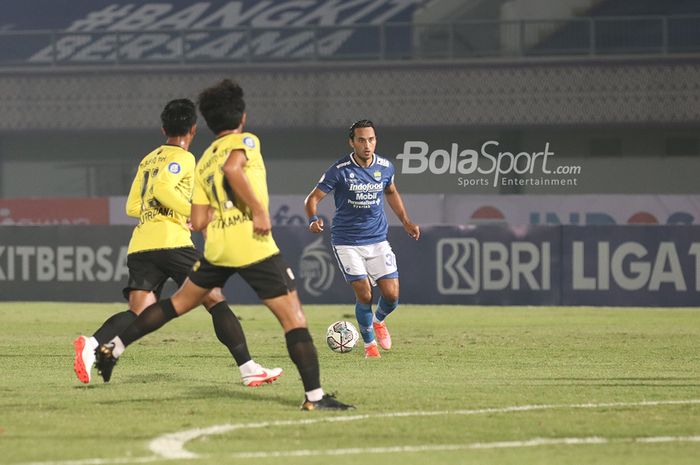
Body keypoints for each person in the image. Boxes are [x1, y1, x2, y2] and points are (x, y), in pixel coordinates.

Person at [95, 80, 353, 411]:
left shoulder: (202, 161)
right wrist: (258, 211)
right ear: (242, 117)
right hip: (253, 244)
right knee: (294, 318)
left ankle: (113, 347)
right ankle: (314, 398)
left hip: (217, 248)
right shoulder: (246, 141)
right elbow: (233, 168)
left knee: (175, 305)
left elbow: (199, 221)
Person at [73, 98, 281, 387]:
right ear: (193, 130)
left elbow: (133, 206)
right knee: (214, 299)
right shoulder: (184, 158)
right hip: (172, 243)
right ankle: (248, 368)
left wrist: (162, 210)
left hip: (141, 245)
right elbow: (162, 188)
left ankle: (92, 343)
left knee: (139, 311)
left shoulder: (148, 159)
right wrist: (191, 214)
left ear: (163, 129)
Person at [304, 119, 420, 358]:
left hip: (377, 239)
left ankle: (378, 321)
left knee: (392, 296)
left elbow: (391, 191)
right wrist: (312, 219)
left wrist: (406, 221)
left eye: (371, 139)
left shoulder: (386, 167)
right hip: (346, 241)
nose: (367, 145)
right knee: (365, 294)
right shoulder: (340, 170)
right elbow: (312, 199)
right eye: (361, 140)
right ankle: (370, 346)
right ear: (352, 142)